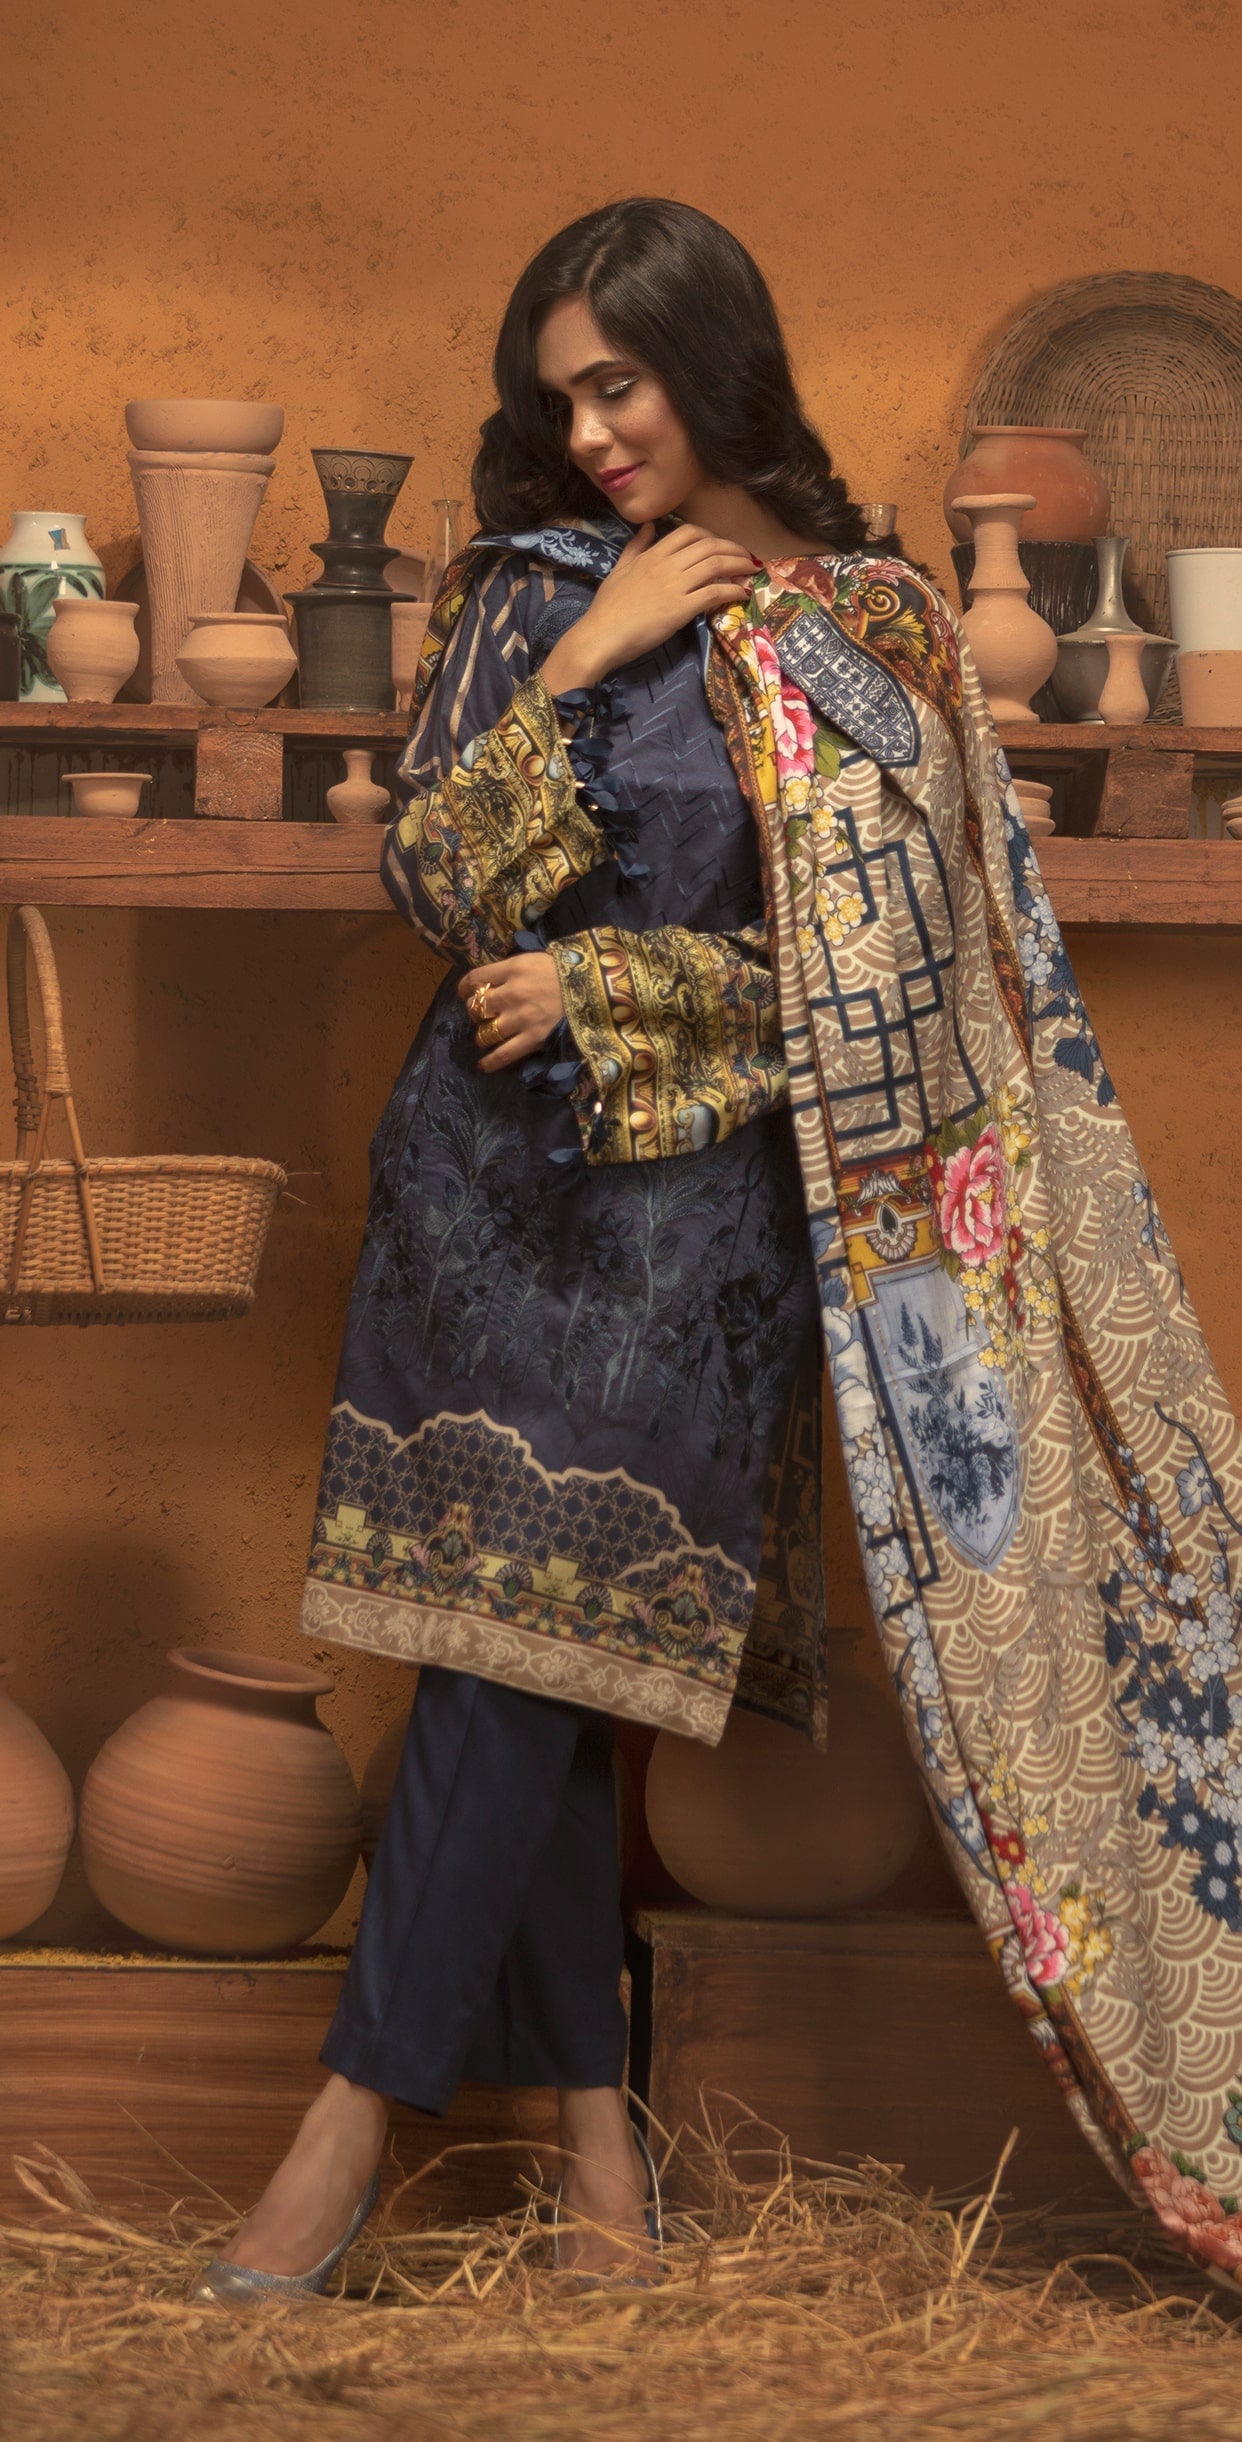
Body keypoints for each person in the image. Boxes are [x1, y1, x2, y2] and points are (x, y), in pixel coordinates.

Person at [195, 197, 1242, 2305]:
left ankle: (350, 2132)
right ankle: (593, 2153)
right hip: (485, 1208)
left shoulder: (880, 636)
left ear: (714, 359)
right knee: (526, 1667)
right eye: (561, 397)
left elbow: (912, 1004)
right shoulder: (531, 591)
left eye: (623, 384)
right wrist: (586, 661)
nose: (591, 433)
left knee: (543, 1651)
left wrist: (615, 989)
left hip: (699, 1250)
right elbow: (435, 880)